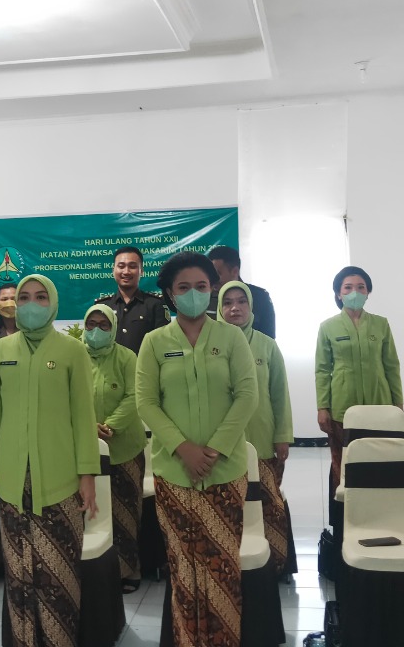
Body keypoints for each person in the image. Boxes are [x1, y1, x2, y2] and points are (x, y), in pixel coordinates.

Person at [135, 251, 257, 646]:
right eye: (183, 287)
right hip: (174, 473)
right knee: (184, 570)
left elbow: (247, 396)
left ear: (212, 289)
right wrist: (183, 448)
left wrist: (215, 449)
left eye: (201, 286)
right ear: (170, 294)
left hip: (225, 471)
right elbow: (146, 403)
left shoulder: (231, 337)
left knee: (223, 569)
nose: (193, 294)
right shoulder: (155, 342)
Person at [0, 274, 100, 647]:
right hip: (12, 482)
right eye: (25, 297)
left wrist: (87, 474)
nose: (32, 304)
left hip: (60, 482)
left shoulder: (72, 351)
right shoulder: (0, 350)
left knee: (59, 576)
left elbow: (83, 416)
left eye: (41, 297)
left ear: (53, 303)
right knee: (19, 577)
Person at [218, 280, 294, 575]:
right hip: (224, 442)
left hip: (263, 437)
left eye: (241, 301)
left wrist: (282, 436)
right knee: (232, 503)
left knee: (269, 502)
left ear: (251, 307)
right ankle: (235, 563)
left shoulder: (267, 345)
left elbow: (280, 395)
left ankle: (275, 564)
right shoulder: (211, 345)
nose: (234, 308)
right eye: (227, 302)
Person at [315, 266, 403, 496]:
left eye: (361, 287)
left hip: (379, 404)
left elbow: (391, 366)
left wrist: (398, 403)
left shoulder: (381, 324)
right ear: (338, 293)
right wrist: (322, 407)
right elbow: (322, 370)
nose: (355, 292)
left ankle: (377, 508)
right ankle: (343, 513)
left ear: (368, 292)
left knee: (378, 460)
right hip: (342, 407)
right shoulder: (328, 327)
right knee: (343, 463)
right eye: (348, 287)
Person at [83, 303, 148, 593]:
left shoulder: (126, 357)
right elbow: (67, 396)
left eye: (103, 325)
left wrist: (109, 426)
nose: (96, 330)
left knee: (126, 511)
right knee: (92, 510)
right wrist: (88, 426)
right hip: (86, 448)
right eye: (91, 324)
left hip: (124, 447)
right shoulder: (75, 356)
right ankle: (98, 570)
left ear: (113, 328)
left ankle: (129, 570)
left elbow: (135, 395)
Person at [93, 245, 170, 353]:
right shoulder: (103, 306)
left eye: (132, 266)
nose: (126, 271)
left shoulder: (155, 304)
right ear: (113, 270)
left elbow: (163, 343)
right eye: (121, 266)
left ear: (141, 271)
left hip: (144, 364)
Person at [209, 245, 277, 338]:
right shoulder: (206, 298)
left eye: (218, 273)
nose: (213, 279)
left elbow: (269, 338)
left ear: (235, 271)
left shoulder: (259, 298)